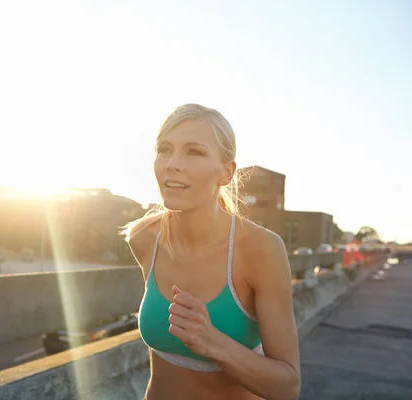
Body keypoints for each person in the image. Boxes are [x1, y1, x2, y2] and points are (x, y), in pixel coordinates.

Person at [122, 103, 301, 400]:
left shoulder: (261, 249)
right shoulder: (143, 238)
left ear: (226, 172)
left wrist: (213, 342)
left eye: (194, 152)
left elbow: (287, 387)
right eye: (164, 149)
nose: (172, 163)